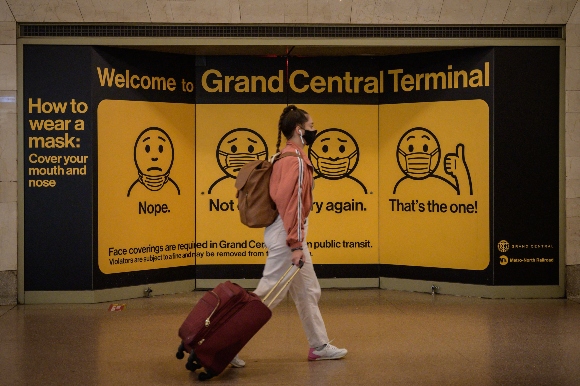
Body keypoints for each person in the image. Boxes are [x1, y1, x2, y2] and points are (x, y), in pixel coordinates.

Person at [231, 105, 347, 368]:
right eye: (311, 126)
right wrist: (295, 245)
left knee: (308, 290)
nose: (314, 130)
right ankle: (227, 344)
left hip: (286, 233)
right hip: (288, 236)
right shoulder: (295, 161)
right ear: (299, 130)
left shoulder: (282, 156)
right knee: (266, 295)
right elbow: (291, 204)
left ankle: (318, 346)